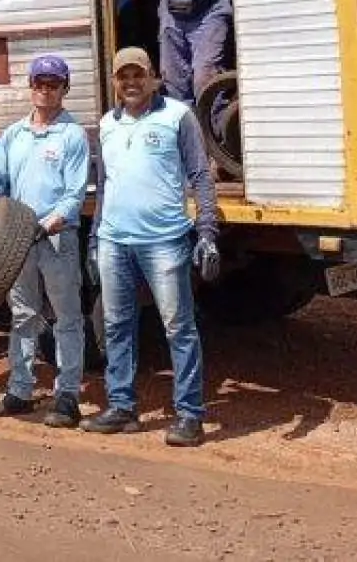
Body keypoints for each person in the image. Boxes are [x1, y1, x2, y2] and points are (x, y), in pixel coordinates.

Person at [81, 47, 220, 448]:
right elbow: (105, 187)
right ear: (114, 82)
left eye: (138, 75)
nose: (130, 83)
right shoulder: (107, 124)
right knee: (116, 325)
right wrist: (94, 238)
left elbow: (200, 176)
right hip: (113, 239)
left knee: (179, 328)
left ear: (154, 77)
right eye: (123, 76)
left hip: (165, 240)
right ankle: (122, 407)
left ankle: (190, 415)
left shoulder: (177, 116)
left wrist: (207, 231)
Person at [0, 54, 92, 428]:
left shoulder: (72, 134)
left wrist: (49, 223)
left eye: (53, 84)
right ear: (31, 88)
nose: (45, 90)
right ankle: (20, 391)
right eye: (39, 83)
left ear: (64, 89)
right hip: (18, 242)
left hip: (57, 240)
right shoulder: (13, 134)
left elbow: (75, 194)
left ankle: (68, 395)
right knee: (23, 315)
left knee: (66, 318)